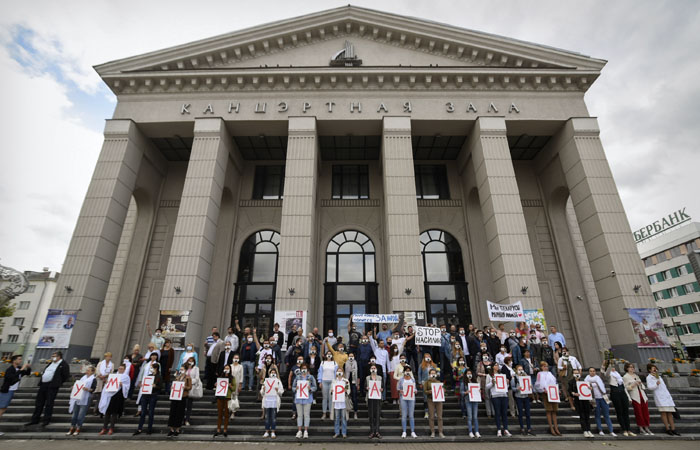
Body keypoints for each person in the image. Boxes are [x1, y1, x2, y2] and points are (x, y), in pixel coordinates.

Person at [25, 351, 70, 427]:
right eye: (52, 356)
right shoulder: (51, 363)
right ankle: (35, 419)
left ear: (59, 357)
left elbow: (65, 375)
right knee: (39, 403)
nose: (52, 357)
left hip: (52, 385)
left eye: (54, 356)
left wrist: (58, 382)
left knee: (49, 403)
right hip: (44, 384)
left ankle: (46, 420)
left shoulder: (63, 364)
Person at [0, 354, 31, 434]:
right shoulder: (10, 369)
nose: (20, 361)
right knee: (2, 409)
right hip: (7, 390)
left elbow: (27, 373)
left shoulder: (18, 368)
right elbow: (10, 378)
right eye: (19, 359)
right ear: (14, 361)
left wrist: (28, 367)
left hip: (11, 390)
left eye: (21, 359)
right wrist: (20, 370)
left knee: (3, 408)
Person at [646, 363, 680, 436]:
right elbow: (650, 387)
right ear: (649, 370)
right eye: (653, 368)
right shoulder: (649, 377)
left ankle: (673, 429)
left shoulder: (659, 376)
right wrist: (656, 384)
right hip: (659, 397)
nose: (655, 369)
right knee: (664, 413)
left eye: (655, 368)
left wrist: (668, 395)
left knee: (670, 413)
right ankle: (667, 428)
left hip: (666, 396)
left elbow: (664, 387)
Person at [98, 363, 131, 435]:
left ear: (124, 370)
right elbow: (108, 384)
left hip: (118, 395)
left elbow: (127, 386)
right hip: (110, 396)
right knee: (107, 412)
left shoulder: (126, 377)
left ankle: (111, 428)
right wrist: (106, 382)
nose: (120, 370)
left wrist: (121, 384)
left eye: (122, 369)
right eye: (119, 368)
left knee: (114, 413)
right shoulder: (113, 376)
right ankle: (104, 428)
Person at [604, 360, 634, 436]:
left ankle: (628, 429)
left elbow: (624, 387)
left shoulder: (619, 376)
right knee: (619, 411)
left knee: (626, 412)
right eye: (611, 367)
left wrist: (629, 398)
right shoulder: (609, 376)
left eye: (614, 367)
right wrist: (609, 366)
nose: (613, 368)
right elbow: (606, 374)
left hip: (622, 393)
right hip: (615, 393)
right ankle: (624, 429)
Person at [585, 366, 616, 436]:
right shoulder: (587, 379)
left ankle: (611, 430)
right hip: (595, 399)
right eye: (590, 371)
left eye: (593, 371)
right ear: (589, 372)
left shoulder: (598, 378)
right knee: (597, 415)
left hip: (603, 397)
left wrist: (603, 366)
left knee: (606, 414)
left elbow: (602, 374)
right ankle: (600, 430)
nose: (592, 372)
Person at [134, 362, 163, 436]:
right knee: (143, 412)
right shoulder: (148, 376)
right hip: (145, 395)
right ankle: (139, 428)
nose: (151, 369)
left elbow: (160, 387)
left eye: (152, 367)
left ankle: (149, 429)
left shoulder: (159, 377)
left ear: (155, 368)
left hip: (153, 395)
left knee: (151, 412)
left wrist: (155, 386)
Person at [623, 363, 653, 435]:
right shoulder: (625, 377)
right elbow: (626, 388)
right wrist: (633, 385)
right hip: (635, 395)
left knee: (645, 412)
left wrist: (640, 383)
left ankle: (646, 427)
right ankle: (641, 428)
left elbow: (643, 386)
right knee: (638, 412)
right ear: (627, 368)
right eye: (630, 367)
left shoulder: (636, 375)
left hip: (642, 394)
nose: (632, 368)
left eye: (633, 367)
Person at [67, 365, 97, 436]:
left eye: (88, 371)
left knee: (81, 414)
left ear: (92, 372)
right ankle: (72, 427)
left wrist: (87, 389)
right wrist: (74, 387)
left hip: (85, 397)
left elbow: (93, 389)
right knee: (74, 414)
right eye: (87, 370)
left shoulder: (93, 379)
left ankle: (78, 427)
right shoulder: (83, 378)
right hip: (78, 397)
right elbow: (78, 385)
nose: (87, 372)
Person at [535, 361, 561, 436]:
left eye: (546, 366)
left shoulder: (550, 374)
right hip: (546, 393)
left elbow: (554, 382)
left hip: (553, 393)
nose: (545, 367)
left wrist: (557, 389)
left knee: (554, 410)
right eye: (544, 366)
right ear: (541, 367)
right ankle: (551, 427)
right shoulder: (539, 374)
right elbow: (538, 384)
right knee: (549, 410)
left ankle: (556, 427)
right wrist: (543, 390)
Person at [167, 365, 192, 437]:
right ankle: (171, 429)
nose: (181, 370)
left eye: (182, 369)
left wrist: (185, 387)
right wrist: (172, 387)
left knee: (180, 413)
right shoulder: (177, 377)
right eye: (180, 369)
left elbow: (190, 387)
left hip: (182, 396)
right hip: (175, 396)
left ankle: (177, 429)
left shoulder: (188, 378)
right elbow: (174, 384)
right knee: (172, 412)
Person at [293, 363, 317, 438]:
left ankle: (306, 431)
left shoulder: (311, 377)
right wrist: (295, 389)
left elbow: (315, 387)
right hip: (299, 398)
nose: (304, 369)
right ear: (300, 369)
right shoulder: (297, 377)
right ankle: (299, 430)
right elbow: (293, 387)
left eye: (305, 368)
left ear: (307, 369)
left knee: (306, 415)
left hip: (308, 398)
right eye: (302, 368)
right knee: (299, 415)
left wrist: (311, 389)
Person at [486, 364, 511, 437]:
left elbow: (506, 386)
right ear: (493, 366)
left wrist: (507, 383)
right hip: (495, 395)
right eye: (495, 365)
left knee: (504, 413)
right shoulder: (489, 375)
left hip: (503, 394)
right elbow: (487, 387)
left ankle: (506, 429)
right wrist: (492, 383)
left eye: (497, 365)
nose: (497, 366)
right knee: (497, 412)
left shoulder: (502, 375)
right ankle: (499, 429)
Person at [569, 368, 593, 438]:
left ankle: (589, 430)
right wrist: (574, 394)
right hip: (578, 401)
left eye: (578, 373)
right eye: (575, 373)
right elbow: (570, 391)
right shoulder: (571, 382)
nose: (577, 374)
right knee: (582, 416)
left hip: (585, 400)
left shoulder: (583, 381)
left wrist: (589, 389)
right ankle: (585, 430)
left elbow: (587, 389)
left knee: (587, 416)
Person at [261, 366, 284, 438]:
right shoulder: (266, 381)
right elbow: (261, 392)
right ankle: (267, 431)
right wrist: (264, 389)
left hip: (274, 400)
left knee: (273, 417)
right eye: (272, 373)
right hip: (267, 400)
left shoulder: (278, 381)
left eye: (274, 373)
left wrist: (278, 390)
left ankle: (273, 431)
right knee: (267, 416)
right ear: (269, 373)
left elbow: (282, 391)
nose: (273, 374)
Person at [511, 364, 534, 436]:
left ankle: (529, 428)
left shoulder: (526, 376)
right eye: (519, 369)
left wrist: (530, 387)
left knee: (528, 413)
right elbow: (512, 388)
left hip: (526, 396)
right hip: (519, 396)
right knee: (520, 413)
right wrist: (517, 389)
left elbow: (530, 385)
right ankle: (522, 428)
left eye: (521, 369)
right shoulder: (514, 378)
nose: (521, 371)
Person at [213, 364, 236, 437]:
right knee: (219, 413)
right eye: (225, 368)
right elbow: (218, 388)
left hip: (227, 397)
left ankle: (225, 429)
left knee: (226, 414)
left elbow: (234, 388)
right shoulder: (220, 377)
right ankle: (218, 429)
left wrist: (230, 386)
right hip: (220, 397)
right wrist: (216, 385)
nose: (226, 369)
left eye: (228, 368)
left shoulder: (232, 378)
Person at [423, 368, 445, 438]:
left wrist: (443, 390)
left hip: (439, 400)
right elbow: (425, 391)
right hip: (430, 399)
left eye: (434, 373)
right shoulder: (427, 382)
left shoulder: (438, 382)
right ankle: (432, 431)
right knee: (431, 416)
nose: (433, 374)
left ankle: (440, 431)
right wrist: (429, 392)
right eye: (431, 373)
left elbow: (442, 389)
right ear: (429, 374)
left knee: (440, 417)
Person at [398, 366, 417, 438]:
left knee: (411, 415)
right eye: (406, 370)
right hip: (403, 398)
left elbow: (415, 389)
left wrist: (415, 391)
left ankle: (412, 431)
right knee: (404, 415)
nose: (407, 372)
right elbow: (398, 388)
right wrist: (400, 391)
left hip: (411, 398)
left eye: (409, 371)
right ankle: (404, 431)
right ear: (404, 372)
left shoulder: (413, 380)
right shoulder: (401, 380)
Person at [318, 349, 338, 420]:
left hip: (332, 382)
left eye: (330, 354)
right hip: (324, 381)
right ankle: (324, 413)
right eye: (328, 354)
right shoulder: (323, 363)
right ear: (326, 355)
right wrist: (320, 381)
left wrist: (336, 382)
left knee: (331, 398)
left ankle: (330, 413)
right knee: (325, 398)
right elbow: (320, 372)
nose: (329, 355)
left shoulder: (335, 363)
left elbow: (336, 373)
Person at [331, 367, 350, 438]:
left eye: (340, 371)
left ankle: (344, 432)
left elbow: (348, 390)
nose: (339, 373)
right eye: (338, 371)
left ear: (343, 373)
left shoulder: (346, 381)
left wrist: (346, 390)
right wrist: (332, 391)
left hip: (343, 402)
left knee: (343, 418)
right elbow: (331, 390)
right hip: (336, 402)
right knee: (337, 418)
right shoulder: (334, 381)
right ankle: (337, 432)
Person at [184, 356, 202, 426]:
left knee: (189, 405)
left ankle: (187, 419)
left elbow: (197, 378)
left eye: (192, 361)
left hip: (191, 387)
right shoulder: (184, 368)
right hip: (184, 388)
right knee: (182, 405)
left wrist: (189, 382)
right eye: (189, 361)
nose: (190, 362)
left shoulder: (196, 368)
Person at [366, 363, 383, 439]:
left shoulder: (380, 378)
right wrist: (366, 388)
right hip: (370, 398)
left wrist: (382, 389)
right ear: (370, 369)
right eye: (372, 368)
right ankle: (372, 431)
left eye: (374, 368)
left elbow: (382, 386)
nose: (373, 369)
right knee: (371, 415)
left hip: (377, 398)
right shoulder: (367, 378)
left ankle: (377, 431)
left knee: (377, 415)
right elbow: (364, 387)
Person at [462, 369, 481, 438]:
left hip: (475, 400)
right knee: (470, 417)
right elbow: (461, 392)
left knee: (475, 417)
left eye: (470, 373)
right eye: (468, 373)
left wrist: (479, 391)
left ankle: (476, 431)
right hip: (468, 400)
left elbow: (478, 390)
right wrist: (465, 392)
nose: (469, 375)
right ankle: (470, 431)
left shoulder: (475, 382)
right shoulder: (463, 383)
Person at [419, 353, 438, 419]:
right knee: (425, 398)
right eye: (426, 357)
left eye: (429, 356)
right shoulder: (421, 365)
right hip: (425, 383)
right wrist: (420, 383)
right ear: (424, 358)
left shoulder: (434, 365)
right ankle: (426, 412)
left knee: (434, 398)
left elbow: (438, 373)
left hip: (433, 383)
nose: (427, 358)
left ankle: (434, 412)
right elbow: (419, 374)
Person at [345, 352, 359, 419]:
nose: (351, 357)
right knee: (347, 396)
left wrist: (357, 383)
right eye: (350, 356)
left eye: (352, 356)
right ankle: (347, 411)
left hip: (354, 382)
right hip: (347, 382)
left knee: (354, 397)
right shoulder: (346, 363)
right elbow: (346, 371)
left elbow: (357, 372)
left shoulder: (356, 363)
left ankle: (355, 412)